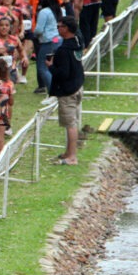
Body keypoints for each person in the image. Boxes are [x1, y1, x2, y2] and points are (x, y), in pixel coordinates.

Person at [48, 16, 85, 166]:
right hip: (78, 85)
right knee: (72, 121)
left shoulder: (63, 51)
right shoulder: (78, 42)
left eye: (60, 26)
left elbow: (63, 73)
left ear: (67, 28)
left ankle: (72, 157)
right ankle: (68, 152)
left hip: (68, 91)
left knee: (70, 124)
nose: (58, 28)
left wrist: (51, 66)